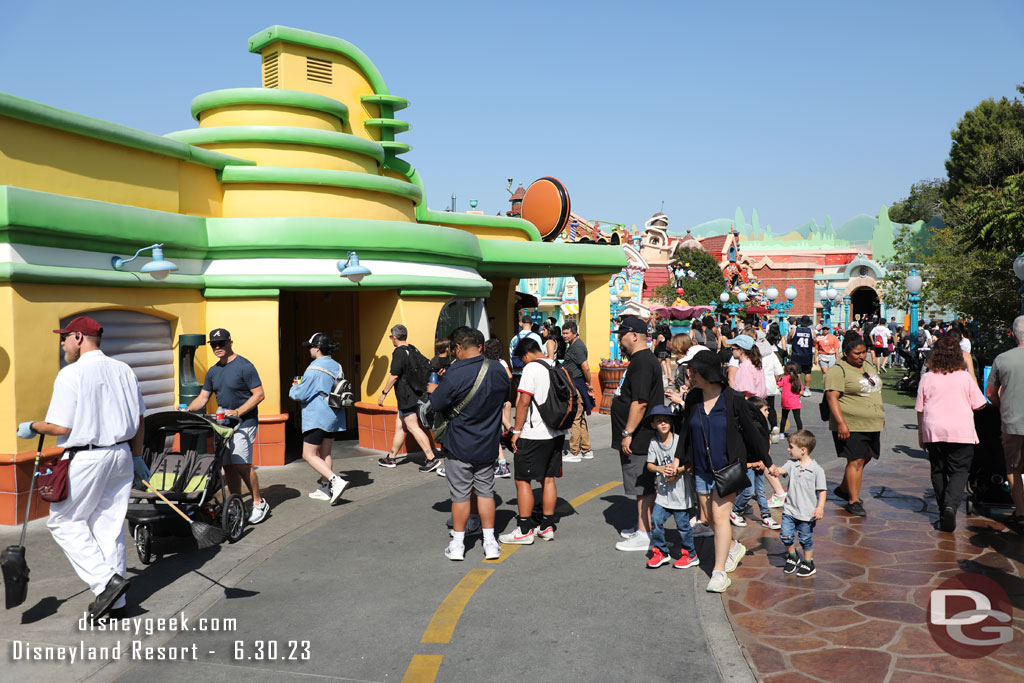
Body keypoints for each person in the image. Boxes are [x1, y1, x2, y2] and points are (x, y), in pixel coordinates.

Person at [16, 316, 145, 620]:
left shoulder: (70, 374)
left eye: (64, 338)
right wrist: (137, 456)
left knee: (64, 522)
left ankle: (105, 583)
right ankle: (116, 607)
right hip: (122, 454)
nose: (62, 343)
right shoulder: (124, 370)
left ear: (77, 337)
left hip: (87, 458)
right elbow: (140, 419)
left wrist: (33, 425)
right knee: (108, 527)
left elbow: (61, 424)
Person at [672, 350, 771, 593]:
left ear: (707, 373)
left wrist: (768, 463)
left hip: (728, 469)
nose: (689, 374)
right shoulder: (694, 397)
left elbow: (751, 432)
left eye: (693, 371)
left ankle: (718, 573)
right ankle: (734, 546)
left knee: (719, 516)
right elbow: (686, 430)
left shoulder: (733, 399)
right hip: (702, 468)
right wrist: (677, 458)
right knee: (707, 518)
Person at [429, 327, 509, 561]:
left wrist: (435, 389)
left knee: (460, 495)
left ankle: (458, 545)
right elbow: (504, 399)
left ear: (457, 348)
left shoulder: (454, 373)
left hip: (459, 444)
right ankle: (490, 543)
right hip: (487, 443)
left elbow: (437, 403)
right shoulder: (498, 369)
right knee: (485, 492)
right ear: (481, 346)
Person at [187, 328, 269, 525]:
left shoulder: (244, 366)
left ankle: (258, 502)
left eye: (221, 343)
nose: (217, 347)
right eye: (214, 344)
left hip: (244, 422)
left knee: (241, 463)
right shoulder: (214, 371)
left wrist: (239, 411)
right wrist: (186, 410)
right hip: (224, 425)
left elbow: (259, 394)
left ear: (230, 343)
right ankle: (236, 503)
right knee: (228, 466)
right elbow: (203, 398)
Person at [916, 334, 987, 532]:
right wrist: (970, 369)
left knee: (938, 470)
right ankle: (950, 506)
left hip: (933, 429)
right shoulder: (964, 377)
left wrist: (921, 434)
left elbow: (920, 409)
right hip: (961, 430)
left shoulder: (927, 377)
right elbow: (980, 404)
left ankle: (942, 508)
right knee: (959, 471)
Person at [502, 337, 568, 545]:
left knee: (522, 480)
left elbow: (523, 402)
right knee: (548, 479)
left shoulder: (531, 369)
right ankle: (547, 526)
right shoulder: (557, 365)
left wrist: (516, 430)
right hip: (556, 432)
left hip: (533, 434)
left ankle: (524, 529)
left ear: (525, 354)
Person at [611, 317, 665, 551]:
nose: (618, 340)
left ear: (634, 336)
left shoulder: (643, 361)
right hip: (638, 435)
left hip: (640, 436)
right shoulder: (640, 360)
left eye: (621, 335)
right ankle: (643, 526)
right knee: (640, 486)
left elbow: (640, 402)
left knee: (642, 486)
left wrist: (628, 431)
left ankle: (645, 533)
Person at [825, 332, 884, 517]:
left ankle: (844, 488)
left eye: (864, 352)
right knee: (856, 460)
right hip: (851, 424)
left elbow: (875, 390)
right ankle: (853, 500)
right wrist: (841, 423)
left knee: (866, 456)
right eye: (857, 354)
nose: (861, 356)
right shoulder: (838, 370)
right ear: (845, 352)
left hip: (872, 423)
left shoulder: (867, 365)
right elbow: (832, 398)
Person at [289, 333, 348, 505]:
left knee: (308, 454)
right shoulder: (337, 365)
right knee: (325, 453)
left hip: (317, 415)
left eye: (310, 347)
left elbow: (300, 394)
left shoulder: (313, 369)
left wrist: (294, 387)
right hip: (333, 415)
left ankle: (335, 481)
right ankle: (325, 487)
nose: (309, 350)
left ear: (317, 348)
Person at [377, 324, 441, 472]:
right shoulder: (412, 348)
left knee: (412, 426)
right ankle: (391, 457)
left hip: (406, 395)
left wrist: (383, 393)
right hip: (413, 394)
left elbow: (394, 375)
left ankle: (431, 458)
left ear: (394, 337)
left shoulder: (399, 352)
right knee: (400, 426)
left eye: (391, 337)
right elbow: (428, 364)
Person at [644, 406, 699, 569]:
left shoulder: (678, 440)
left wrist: (678, 470)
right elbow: (649, 465)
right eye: (659, 420)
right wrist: (660, 469)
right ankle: (660, 551)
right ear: (653, 424)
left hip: (680, 493)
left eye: (666, 420)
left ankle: (690, 554)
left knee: (683, 526)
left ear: (672, 422)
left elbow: (690, 463)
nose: (663, 423)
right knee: (656, 520)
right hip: (663, 493)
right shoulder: (654, 442)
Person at [986, 315, 1024, 525]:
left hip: (1012, 421)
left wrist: (1003, 406)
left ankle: (1021, 511)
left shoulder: (1002, 359)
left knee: (1013, 468)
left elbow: (990, 392)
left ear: (1013, 335)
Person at [777, 430, 827, 577]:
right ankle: (793, 556)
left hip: (807, 513)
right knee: (786, 535)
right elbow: (781, 470)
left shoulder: (817, 470)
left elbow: (822, 490)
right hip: (790, 510)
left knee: (805, 539)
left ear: (803, 450)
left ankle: (808, 563)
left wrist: (820, 507)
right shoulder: (792, 464)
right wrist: (774, 470)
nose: (788, 449)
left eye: (791, 447)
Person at [730, 397, 781, 530]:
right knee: (748, 491)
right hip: (749, 464)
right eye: (765, 410)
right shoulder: (750, 428)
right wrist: (754, 463)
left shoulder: (761, 425)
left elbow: (764, 447)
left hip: (759, 463)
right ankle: (735, 510)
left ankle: (765, 515)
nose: (768, 413)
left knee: (760, 491)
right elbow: (749, 448)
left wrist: (763, 462)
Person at [561, 321, 595, 462]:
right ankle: (586, 450)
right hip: (575, 384)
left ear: (574, 333)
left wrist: (589, 383)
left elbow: (585, 367)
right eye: (563, 333)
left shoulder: (578, 347)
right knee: (580, 418)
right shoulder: (573, 346)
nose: (564, 335)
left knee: (575, 417)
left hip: (577, 385)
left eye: (567, 333)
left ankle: (574, 452)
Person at [484, 338, 513, 478]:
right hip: (503, 398)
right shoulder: (502, 362)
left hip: (492, 400)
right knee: (505, 423)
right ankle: (517, 439)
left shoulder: (487, 364)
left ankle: (502, 464)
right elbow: (509, 376)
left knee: (494, 430)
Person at [724, 334, 765, 399]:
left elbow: (745, 393)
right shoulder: (755, 363)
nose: (732, 351)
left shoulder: (745, 367)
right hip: (759, 402)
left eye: (733, 349)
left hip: (749, 405)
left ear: (741, 350)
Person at [789, 316, 814, 397]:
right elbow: (814, 342)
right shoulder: (811, 331)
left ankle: (799, 388)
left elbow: (789, 340)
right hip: (807, 354)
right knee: (808, 372)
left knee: (797, 372)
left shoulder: (794, 330)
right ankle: (807, 389)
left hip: (797, 354)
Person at [778, 362, 804, 435]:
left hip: (786, 401)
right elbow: (801, 391)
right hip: (795, 401)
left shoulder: (784, 378)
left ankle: (781, 434)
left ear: (786, 370)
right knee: (797, 419)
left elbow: (778, 385)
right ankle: (800, 433)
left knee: (784, 418)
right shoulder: (797, 379)